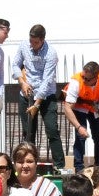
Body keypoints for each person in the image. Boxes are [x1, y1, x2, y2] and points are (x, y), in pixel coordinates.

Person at [14, 24, 64, 169]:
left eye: (35, 42)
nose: (32, 45)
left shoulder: (51, 54)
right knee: (28, 132)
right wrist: (21, 82)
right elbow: (15, 64)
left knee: (52, 130)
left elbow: (47, 80)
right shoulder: (24, 46)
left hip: (46, 96)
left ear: (42, 40)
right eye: (31, 41)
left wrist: (36, 104)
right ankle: (28, 164)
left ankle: (59, 167)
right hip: (26, 93)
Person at [63, 61, 99, 169]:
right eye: (83, 77)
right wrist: (79, 127)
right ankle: (79, 167)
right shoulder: (76, 82)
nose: (84, 80)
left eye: (88, 79)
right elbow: (67, 108)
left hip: (94, 107)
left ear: (96, 77)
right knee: (80, 136)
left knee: (98, 136)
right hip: (79, 106)